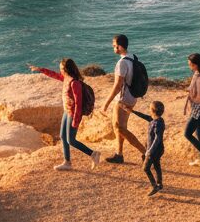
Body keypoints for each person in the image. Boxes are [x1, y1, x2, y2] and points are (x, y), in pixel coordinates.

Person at [29, 59, 101, 171]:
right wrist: (41, 69)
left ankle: (93, 154)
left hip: (73, 114)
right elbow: (54, 75)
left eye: (61, 68)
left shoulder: (74, 83)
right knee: (63, 137)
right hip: (67, 112)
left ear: (66, 69)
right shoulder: (66, 79)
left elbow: (78, 103)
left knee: (71, 140)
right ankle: (67, 162)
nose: (60, 70)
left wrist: (76, 120)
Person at [101, 34, 145, 164]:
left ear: (120, 47)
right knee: (120, 127)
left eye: (114, 45)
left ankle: (145, 152)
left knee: (119, 128)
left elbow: (117, 86)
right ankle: (119, 154)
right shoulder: (133, 57)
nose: (113, 47)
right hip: (132, 97)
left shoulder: (122, 63)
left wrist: (106, 103)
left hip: (123, 99)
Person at [130, 100, 166, 197]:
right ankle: (159, 184)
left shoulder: (157, 124)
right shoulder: (157, 120)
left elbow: (157, 138)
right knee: (157, 165)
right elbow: (145, 116)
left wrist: (149, 151)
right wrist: (133, 111)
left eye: (150, 108)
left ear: (153, 111)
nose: (149, 110)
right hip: (158, 149)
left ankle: (155, 186)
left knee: (145, 168)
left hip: (154, 150)